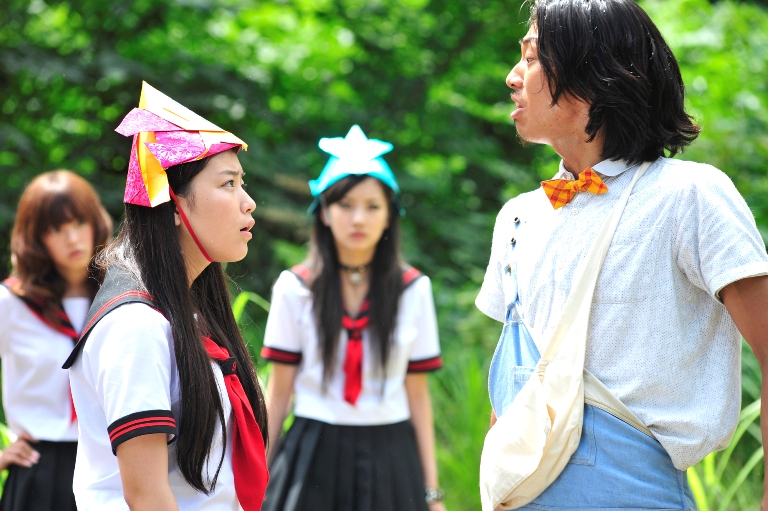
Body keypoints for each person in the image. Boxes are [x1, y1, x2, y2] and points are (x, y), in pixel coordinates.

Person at [476, 0, 768, 509]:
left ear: (594, 75)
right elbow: (515, 389)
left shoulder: (688, 195)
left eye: (532, 57)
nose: (512, 76)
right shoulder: (518, 218)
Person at [63, 81, 269, 511]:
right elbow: (146, 495)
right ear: (173, 204)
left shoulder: (185, 311)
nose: (248, 203)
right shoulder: (134, 326)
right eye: (228, 184)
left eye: (242, 183)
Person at [261, 125, 446, 511]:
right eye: (345, 205)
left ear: (389, 215)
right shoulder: (295, 287)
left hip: (391, 456)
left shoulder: (413, 289)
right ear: (325, 212)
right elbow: (279, 393)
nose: (358, 219)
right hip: (312, 455)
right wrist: (257, 481)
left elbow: (418, 395)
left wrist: (432, 494)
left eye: (372, 206)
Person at [0, 170, 112, 511]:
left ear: (95, 223)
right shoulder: (12, 303)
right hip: (40, 470)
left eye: (78, 222)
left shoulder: (121, 300)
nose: (72, 239)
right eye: (55, 229)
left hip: (112, 467)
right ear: (35, 239)